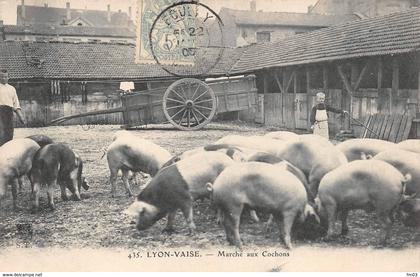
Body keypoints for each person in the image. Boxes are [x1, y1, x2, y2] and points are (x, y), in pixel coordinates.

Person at [0, 69, 25, 146]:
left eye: (6, 77)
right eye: (2, 77)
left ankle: (7, 150)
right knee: (1, 132)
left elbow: (16, 104)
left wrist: (20, 116)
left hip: (9, 112)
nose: (4, 78)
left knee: (10, 132)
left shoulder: (12, 88)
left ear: (8, 78)